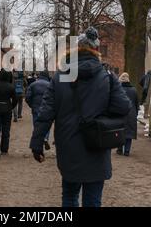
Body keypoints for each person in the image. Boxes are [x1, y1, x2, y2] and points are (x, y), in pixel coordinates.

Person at [30, 27, 131, 207]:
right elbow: (123, 107)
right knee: (93, 200)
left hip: (68, 146)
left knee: (69, 196)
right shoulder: (108, 78)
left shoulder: (59, 77)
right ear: (96, 50)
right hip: (97, 145)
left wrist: (37, 143)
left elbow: (45, 114)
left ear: (76, 50)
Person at [0, 69, 18, 158]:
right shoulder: (11, 86)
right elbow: (15, 99)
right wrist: (11, 106)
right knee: (6, 130)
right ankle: (4, 149)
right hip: (7, 108)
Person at [26, 70, 52, 150]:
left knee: (36, 125)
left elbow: (28, 97)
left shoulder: (33, 84)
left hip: (36, 108)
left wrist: (32, 105)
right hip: (46, 108)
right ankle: (45, 138)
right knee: (47, 124)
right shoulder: (50, 85)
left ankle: (37, 143)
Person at [116, 72, 139, 156]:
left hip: (120, 113)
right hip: (131, 114)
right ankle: (127, 151)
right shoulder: (134, 90)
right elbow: (137, 103)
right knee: (129, 133)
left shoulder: (118, 89)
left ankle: (119, 149)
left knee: (119, 131)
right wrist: (135, 113)